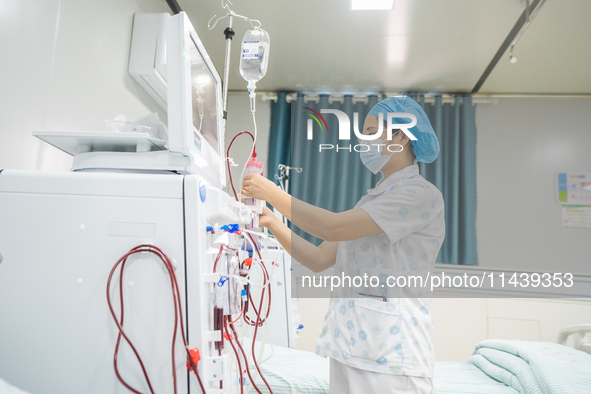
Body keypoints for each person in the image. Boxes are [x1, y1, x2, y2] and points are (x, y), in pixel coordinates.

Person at [241, 96, 445, 394]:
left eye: (372, 130)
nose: (364, 139)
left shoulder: (419, 194)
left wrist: (271, 192)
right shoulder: (371, 201)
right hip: (351, 346)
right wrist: (273, 222)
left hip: (392, 355)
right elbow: (319, 258)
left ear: (401, 136)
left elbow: (331, 227)